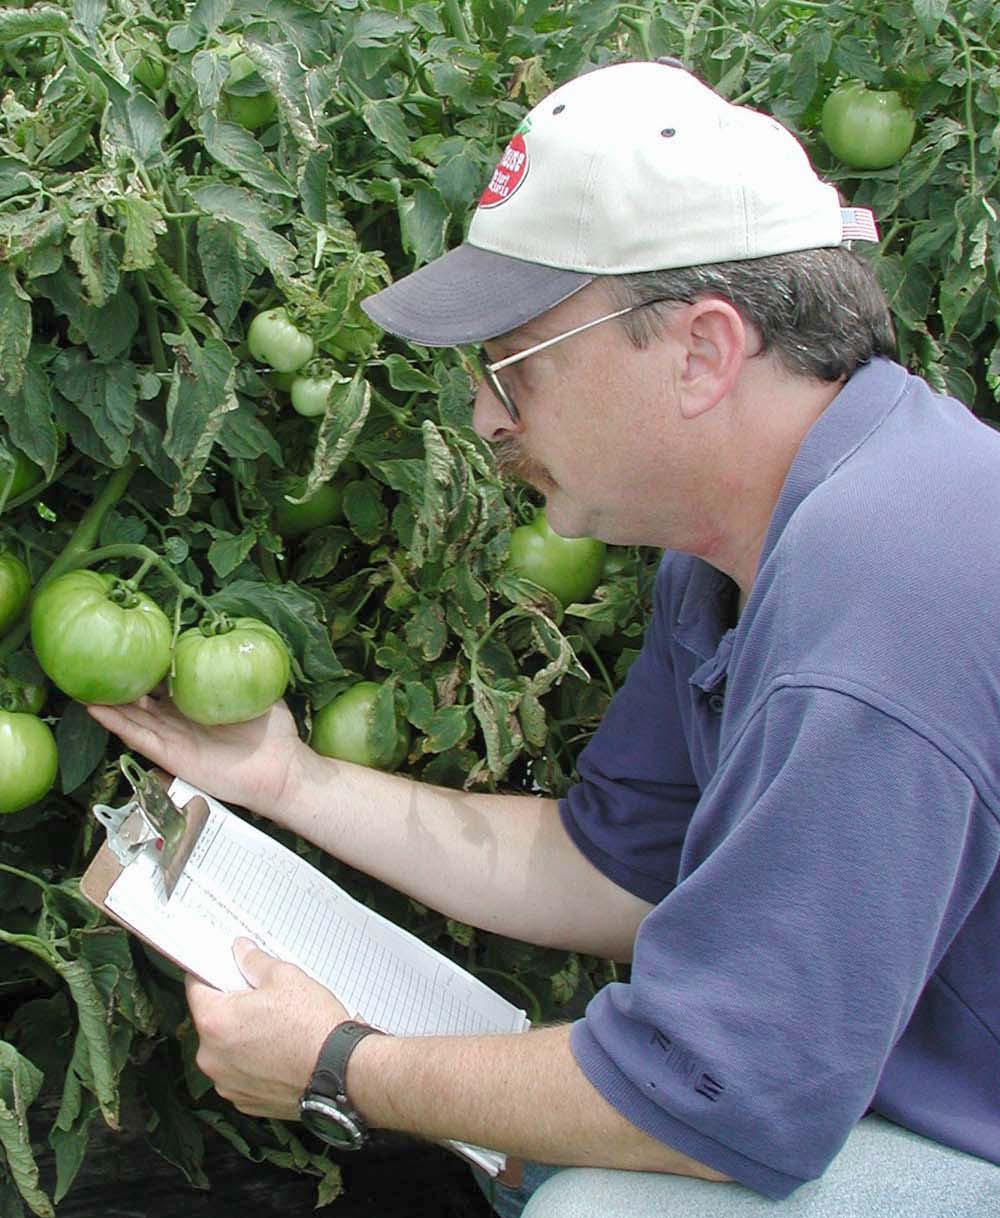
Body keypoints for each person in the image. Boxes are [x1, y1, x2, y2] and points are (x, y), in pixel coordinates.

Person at [87, 61, 1000, 1217]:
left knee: (598, 1206)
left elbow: (718, 1097)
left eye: (512, 364)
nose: (482, 416)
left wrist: (338, 1066)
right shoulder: (737, 553)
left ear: (703, 354)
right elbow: (608, 873)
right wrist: (291, 782)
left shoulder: (876, 598)